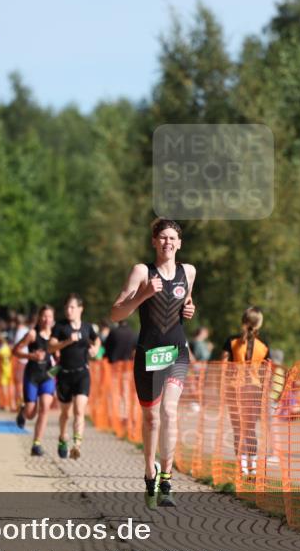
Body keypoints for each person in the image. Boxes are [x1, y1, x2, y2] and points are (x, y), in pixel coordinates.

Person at [110, 218, 196, 508]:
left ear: (180, 243)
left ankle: (168, 479)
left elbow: (184, 304)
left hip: (176, 351)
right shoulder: (141, 271)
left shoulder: (189, 272)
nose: (167, 243)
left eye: (172, 238)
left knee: (170, 411)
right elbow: (116, 313)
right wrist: (145, 294)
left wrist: (190, 309)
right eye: (162, 238)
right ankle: (150, 473)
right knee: (151, 418)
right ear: (153, 242)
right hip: (148, 353)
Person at [49, 294, 101, 459]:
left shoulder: (87, 327)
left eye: (72, 307)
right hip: (64, 375)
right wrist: (66, 342)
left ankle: (77, 445)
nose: (68, 310)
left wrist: (95, 349)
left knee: (80, 410)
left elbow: (97, 339)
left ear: (80, 309)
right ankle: (62, 437)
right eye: (66, 307)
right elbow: (50, 347)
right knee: (66, 414)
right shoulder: (60, 326)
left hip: (82, 374)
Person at [221, 307, 271, 477]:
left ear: (243, 321)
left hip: (234, 388)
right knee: (250, 429)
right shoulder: (263, 347)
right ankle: (253, 467)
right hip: (255, 390)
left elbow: (223, 365)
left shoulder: (232, 342)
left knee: (238, 429)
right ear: (259, 324)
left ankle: (241, 467)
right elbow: (267, 372)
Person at [15, 305, 58, 456]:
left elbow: (59, 356)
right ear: (39, 318)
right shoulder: (32, 334)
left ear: (53, 319)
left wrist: (59, 364)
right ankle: (23, 410)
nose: (47, 320)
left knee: (45, 407)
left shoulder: (55, 335)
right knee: (31, 413)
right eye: (44, 316)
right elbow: (16, 351)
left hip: (47, 376)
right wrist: (31, 356)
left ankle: (36, 444)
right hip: (32, 375)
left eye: (50, 317)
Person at [0, 333, 15, 412]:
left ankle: (6, 404)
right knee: (10, 388)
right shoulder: (9, 348)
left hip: (5, 370)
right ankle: (10, 404)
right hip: (10, 369)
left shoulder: (2, 349)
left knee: (5, 388)